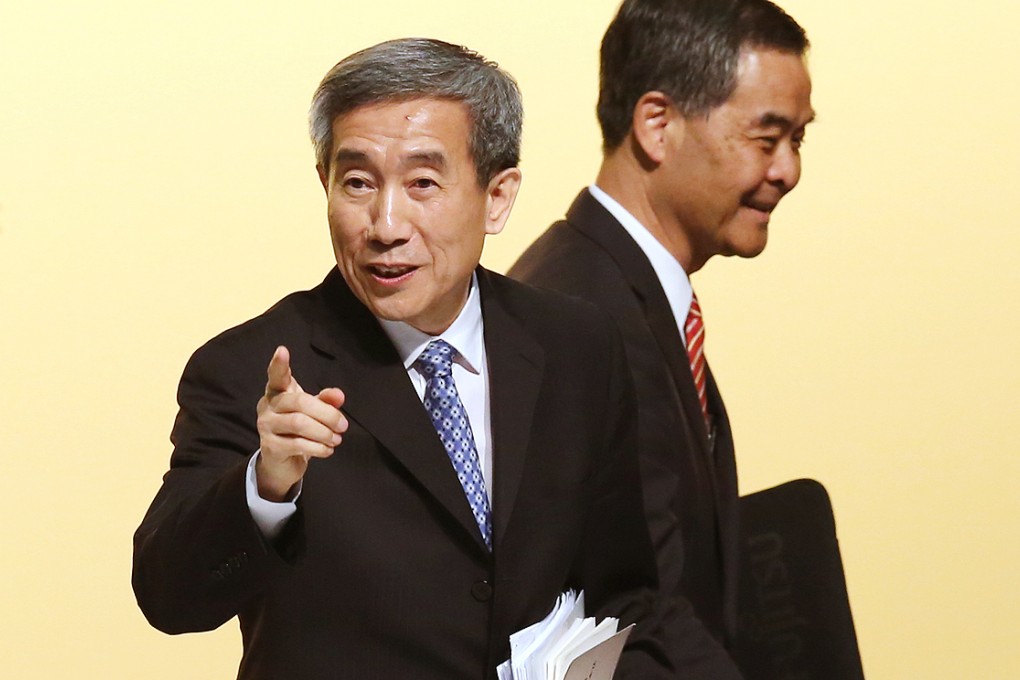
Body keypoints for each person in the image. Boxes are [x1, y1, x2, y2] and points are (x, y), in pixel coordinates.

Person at [132, 38, 681, 679]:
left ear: (497, 197)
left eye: (422, 183)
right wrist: (265, 484)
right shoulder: (250, 366)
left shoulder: (575, 346)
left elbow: (626, 595)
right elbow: (168, 597)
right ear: (325, 186)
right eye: (357, 182)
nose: (386, 224)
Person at [510, 0, 815, 671]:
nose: (789, 169)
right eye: (766, 139)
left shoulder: (617, 294)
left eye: (799, 139)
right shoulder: (581, 312)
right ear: (656, 124)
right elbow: (640, 607)